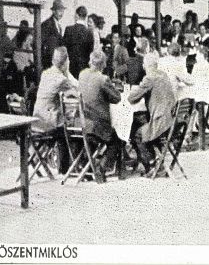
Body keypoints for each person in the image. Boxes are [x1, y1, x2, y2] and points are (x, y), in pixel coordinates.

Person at [127, 52, 180, 175]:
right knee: (139, 122)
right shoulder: (163, 75)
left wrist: (136, 90)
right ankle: (154, 160)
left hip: (161, 123)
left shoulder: (149, 78)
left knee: (136, 133)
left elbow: (131, 98)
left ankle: (150, 164)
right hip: (171, 121)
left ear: (145, 66)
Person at [31, 46, 77, 175]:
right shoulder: (61, 79)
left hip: (37, 120)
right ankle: (65, 169)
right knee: (67, 128)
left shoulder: (45, 74)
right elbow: (78, 92)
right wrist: (67, 73)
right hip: (48, 122)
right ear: (65, 62)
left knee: (64, 124)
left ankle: (63, 165)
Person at [79, 49, 123, 182]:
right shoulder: (103, 79)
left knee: (94, 140)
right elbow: (117, 98)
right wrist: (114, 88)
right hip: (98, 125)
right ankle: (102, 168)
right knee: (117, 140)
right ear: (103, 64)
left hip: (83, 123)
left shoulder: (82, 74)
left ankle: (86, 167)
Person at [63, 6, 94, 78]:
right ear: (86, 17)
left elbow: (64, 49)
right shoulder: (89, 33)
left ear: (76, 15)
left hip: (71, 67)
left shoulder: (68, 29)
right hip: (84, 68)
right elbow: (90, 52)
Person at [40, 0, 66, 69]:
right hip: (48, 61)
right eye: (59, 11)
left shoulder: (59, 25)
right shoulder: (47, 24)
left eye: (63, 11)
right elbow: (41, 44)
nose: (61, 13)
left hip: (56, 61)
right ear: (53, 11)